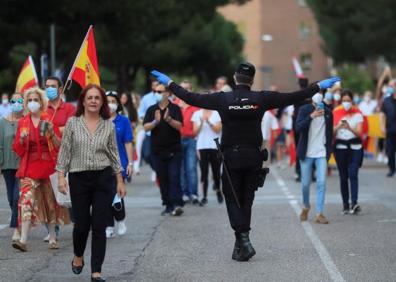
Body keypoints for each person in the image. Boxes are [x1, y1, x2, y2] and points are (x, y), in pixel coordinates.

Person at [150, 63, 340, 262]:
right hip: (253, 157)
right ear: (251, 80)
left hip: (232, 156)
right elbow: (294, 96)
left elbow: (191, 98)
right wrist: (319, 86)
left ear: (234, 78)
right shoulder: (261, 98)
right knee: (246, 199)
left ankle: (243, 238)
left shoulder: (223, 98)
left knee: (233, 199)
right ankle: (241, 243)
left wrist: (170, 83)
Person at [56, 84, 125, 282]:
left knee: (99, 225)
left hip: (103, 178)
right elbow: (65, 151)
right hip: (78, 178)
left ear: (102, 102)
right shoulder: (73, 123)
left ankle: (96, 272)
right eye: (90, 97)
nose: (93, 101)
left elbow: (114, 154)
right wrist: (61, 176)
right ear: (83, 101)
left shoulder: (108, 126)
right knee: (82, 225)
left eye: (97, 98)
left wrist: (119, 180)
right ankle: (78, 256)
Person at [12, 87, 69, 252]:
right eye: (29, 100)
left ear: (41, 102)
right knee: (25, 201)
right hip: (29, 167)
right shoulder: (23, 122)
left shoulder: (48, 121)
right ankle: (23, 240)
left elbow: (59, 146)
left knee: (49, 203)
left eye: (35, 100)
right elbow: (17, 149)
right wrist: (22, 140)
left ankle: (52, 236)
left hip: (48, 167)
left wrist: (53, 133)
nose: (32, 103)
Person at [143, 84, 184, 216]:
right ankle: (167, 204)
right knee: (163, 178)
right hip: (157, 151)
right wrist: (155, 121)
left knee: (174, 176)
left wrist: (169, 119)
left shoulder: (175, 108)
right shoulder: (151, 109)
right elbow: (145, 128)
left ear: (167, 93)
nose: (156, 93)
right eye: (155, 91)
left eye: (159, 91)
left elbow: (179, 127)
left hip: (174, 150)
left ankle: (177, 203)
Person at [43, 76, 76, 242]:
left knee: (69, 194)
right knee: (48, 195)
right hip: (46, 157)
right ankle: (52, 229)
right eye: (47, 86)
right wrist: (58, 129)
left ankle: (79, 223)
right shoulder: (43, 109)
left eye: (53, 86)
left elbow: (71, 129)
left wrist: (53, 129)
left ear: (61, 89)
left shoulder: (70, 108)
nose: (49, 89)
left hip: (67, 156)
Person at [296, 93, 333, 224]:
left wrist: (329, 151)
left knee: (321, 182)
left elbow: (330, 133)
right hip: (306, 152)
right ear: (311, 98)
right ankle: (306, 206)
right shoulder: (304, 109)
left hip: (321, 152)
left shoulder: (328, 112)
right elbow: (298, 127)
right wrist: (311, 116)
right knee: (305, 184)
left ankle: (319, 213)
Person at [105, 91, 134, 238]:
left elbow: (128, 142)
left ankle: (120, 219)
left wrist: (130, 162)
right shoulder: (100, 120)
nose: (110, 104)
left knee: (116, 193)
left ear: (117, 104)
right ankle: (108, 225)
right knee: (104, 196)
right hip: (102, 164)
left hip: (119, 162)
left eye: (113, 101)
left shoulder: (123, 121)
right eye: (107, 101)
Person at [333, 89, 364, 214]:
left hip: (355, 147)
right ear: (341, 101)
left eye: (348, 100)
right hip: (341, 147)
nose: (346, 102)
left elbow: (360, 133)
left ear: (352, 101)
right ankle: (345, 205)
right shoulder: (336, 112)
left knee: (353, 174)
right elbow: (332, 133)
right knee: (343, 176)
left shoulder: (358, 113)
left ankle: (354, 203)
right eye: (344, 100)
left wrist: (349, 128)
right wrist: (338, 127)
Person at [0, 92, 24, 241]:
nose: (16, 104)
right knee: (10, 197)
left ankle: (17, 228)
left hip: (22, 164)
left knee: (17, 197)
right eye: (13, 101)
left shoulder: (26, 121)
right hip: (7, 165)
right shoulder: (2, 122)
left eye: (19, 101)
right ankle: (19, 221)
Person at [191, 99, 223, 205]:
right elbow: (195, 132)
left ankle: (218, 190)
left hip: (214, 146)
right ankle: (204, 196)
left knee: (216, 172)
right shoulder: (197, 114)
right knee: (203, 172)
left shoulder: (217, 113)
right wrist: (201, 123)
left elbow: (218, 130)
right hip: (202, 146)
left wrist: (208, 122)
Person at [178, 80, 199, 204]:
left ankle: (194, 193)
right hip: (178, 139)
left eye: (187, 88)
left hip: (191, 139)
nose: (185, 90)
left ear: (191, 90)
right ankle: (184, 193)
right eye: (183, 88)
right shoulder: (174, 104)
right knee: (180, 167)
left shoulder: (196, 107)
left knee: (191, 167)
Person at [380, 85, 396, 177]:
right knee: (390, 152)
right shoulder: (386, 100)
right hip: (390, 130)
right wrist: (382, 126)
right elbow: (382, 113)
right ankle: (392, 169)